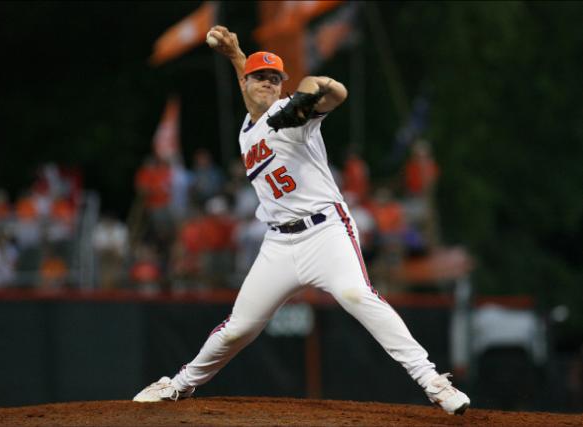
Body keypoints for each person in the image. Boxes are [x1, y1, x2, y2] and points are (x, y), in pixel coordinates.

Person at [133, 25, 470, 415]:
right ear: (246, 82)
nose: (269, 83)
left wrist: (312, 89)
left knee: (356, 295)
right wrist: (236, 53)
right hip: (279, 244)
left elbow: (334, 92)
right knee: (240, 327)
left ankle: (432, 382)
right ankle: (178, 385)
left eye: (275, 78)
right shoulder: (248, 128)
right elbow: (249, 84)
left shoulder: (293, 113)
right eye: (261, 77)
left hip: (326, 231)